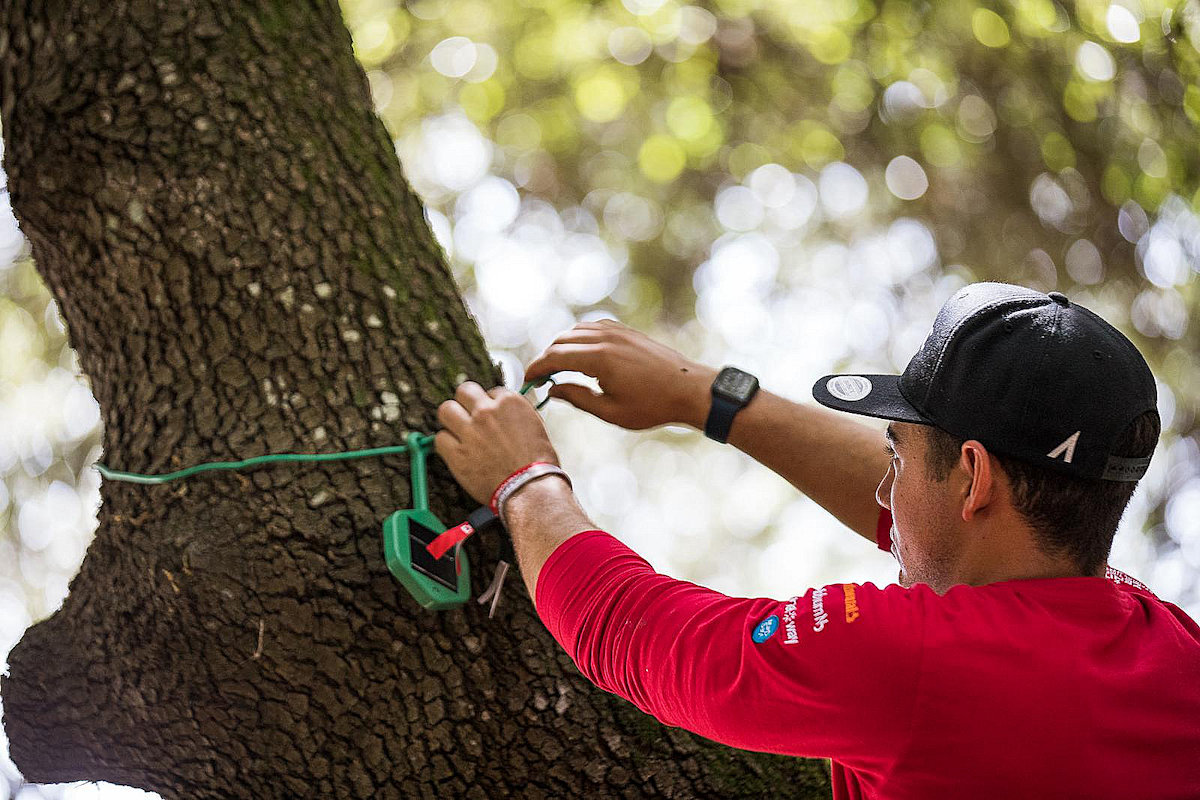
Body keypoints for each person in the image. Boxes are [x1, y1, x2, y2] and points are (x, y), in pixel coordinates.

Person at [433, 282, 1200, 799]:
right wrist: (706, 396)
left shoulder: (917, 662)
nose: (883, 493)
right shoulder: (1173, 652)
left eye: (896, 458)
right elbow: (949, 529)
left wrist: (524, 478)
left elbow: (636, 633)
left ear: (973, 477)